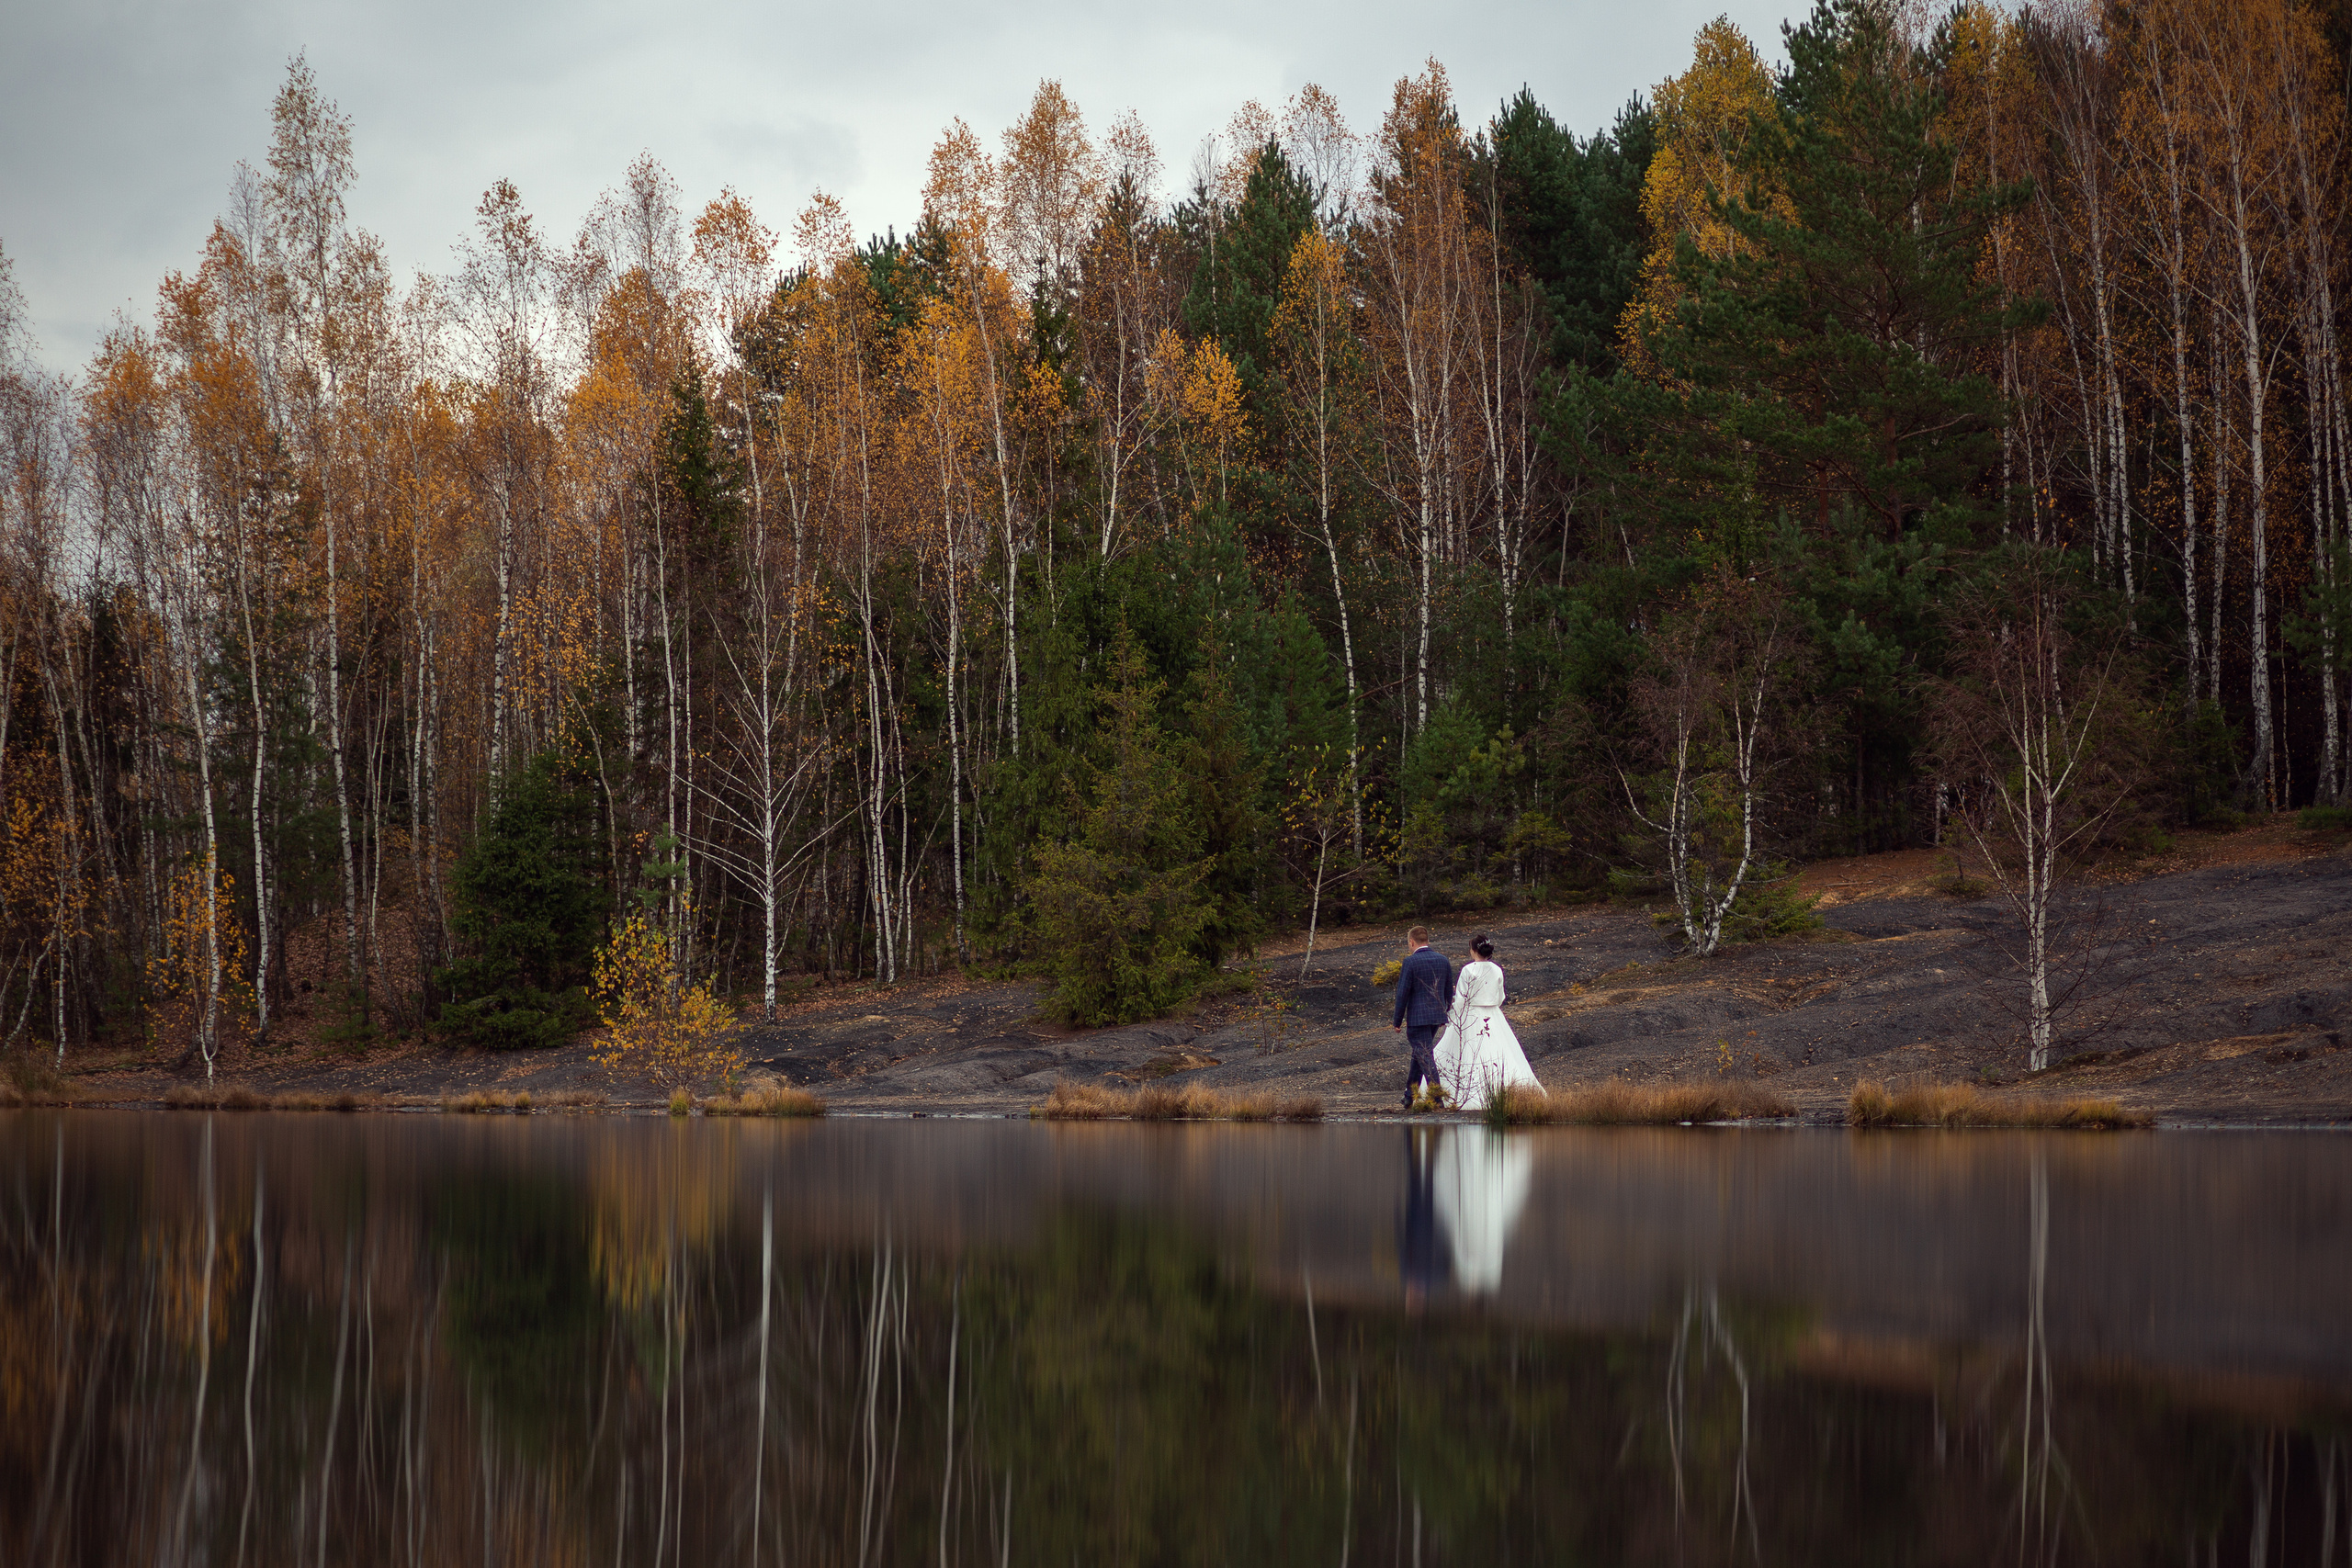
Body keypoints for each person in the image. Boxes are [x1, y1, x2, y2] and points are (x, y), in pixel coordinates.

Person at [1434, 933, 1544, 1111]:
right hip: (1493, 1014)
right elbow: (1501, 997)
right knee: (1501, 1051)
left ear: (1473, 950)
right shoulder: (1497, 969)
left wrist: (1453, 1016)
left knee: (1467, 1052)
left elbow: (1461, 998)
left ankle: (1460, 1093)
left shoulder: (1468, 970)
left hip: (1471, 1013)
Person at [1391, 926, 1453, 1109]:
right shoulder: (1443, 960)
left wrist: (1397, 1021)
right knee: (1419, 1054)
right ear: (1427, 940)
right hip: (1436, 1016)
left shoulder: (1410, 962)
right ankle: (1409, 1095)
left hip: (1418, 1019)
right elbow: (1449, 990)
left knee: (1425, 1056)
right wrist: (1444, 1011)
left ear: (1411, 942)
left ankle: (1436, 1098)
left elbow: (1402, 993)